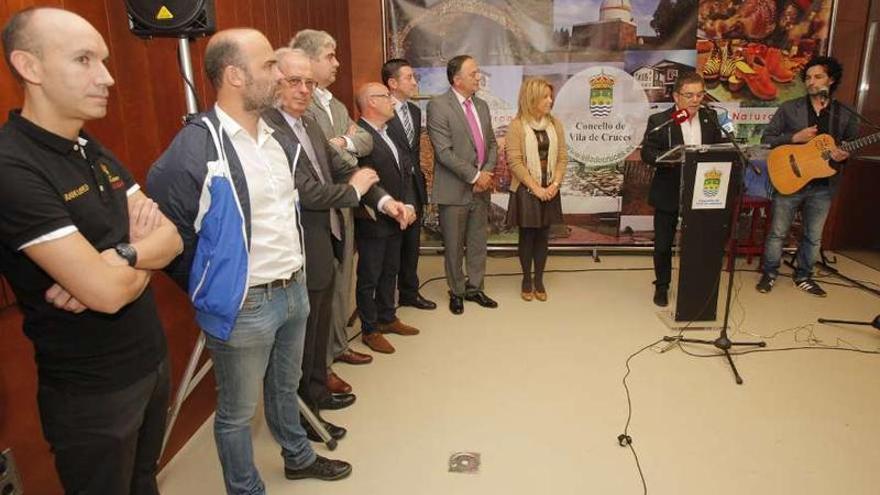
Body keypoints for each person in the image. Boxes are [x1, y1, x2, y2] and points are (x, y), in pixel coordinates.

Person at [147, 30, 351, 494]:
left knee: (284, 389)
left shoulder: (275, 137)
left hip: (293, 289)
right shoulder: (198, 146)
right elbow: (167, 231)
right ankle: (244, 487)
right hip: (246, 306)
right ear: (235, 75)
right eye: (268, 66)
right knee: (237, 413)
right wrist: (215, 288)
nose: (280, 75)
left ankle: (297, 456)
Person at [0, 7, 182, 494]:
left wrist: (118, 258)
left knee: (145, 481)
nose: (106, 77)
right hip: (93, 393)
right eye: (84, 60)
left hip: (149, 362)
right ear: (29, 67)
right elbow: (105, 294)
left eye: (103, 60)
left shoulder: (89, 148)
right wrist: (135, 254)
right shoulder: (13, 168)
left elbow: (173, 237)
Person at [262, 49, 409, 412]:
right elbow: (307, 191)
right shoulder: (267, 128)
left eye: (309, 83)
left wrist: (385, 202)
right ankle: (302, 410)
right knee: (302, 334)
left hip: (325, 239)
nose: (303, 90)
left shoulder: (309, 123)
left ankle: (317, 392)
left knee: (320, 324)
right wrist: (355, 191)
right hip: (295, 248)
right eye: (293, 81)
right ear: (273, 81)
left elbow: (342, 171)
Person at [291, 29, 374, 379]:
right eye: (330, 56)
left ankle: (338, 346)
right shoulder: (300, 107)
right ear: (308, 59)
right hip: (319, 210)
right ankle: (320, 366)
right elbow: (329, 157)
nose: (337, 62)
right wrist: (347, 143)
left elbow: (365, 140)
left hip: (344, 205)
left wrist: (342, 141)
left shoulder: (335, 103)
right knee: (320, 292)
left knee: (343, 282)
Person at [757, 56, 859, 297]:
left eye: (818, 77)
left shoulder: (845, 113)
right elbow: (767, 138)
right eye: (808, 78)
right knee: (778, 232)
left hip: (823, 185)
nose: (811, 82)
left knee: (813, 236)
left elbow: (851, 143)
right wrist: (794, 138)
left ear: (831, 80)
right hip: (790, 181)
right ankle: (769, 272)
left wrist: (845, 154)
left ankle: (803, 275)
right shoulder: (790, 108)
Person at [640, 72, 725, 307]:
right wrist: (668, 159)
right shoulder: (661, 121)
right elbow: (648, 152)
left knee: (698, 242)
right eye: (689, 95)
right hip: (669, 189)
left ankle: (694, 285)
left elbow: (718, 148)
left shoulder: (710, 117)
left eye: (700, 94)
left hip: (702, 191)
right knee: (663, 244)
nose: (695, 100)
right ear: (676, 96)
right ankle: (662, 286)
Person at [427, 54, 499, 315]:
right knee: (455, 245)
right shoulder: (438, 106)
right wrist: (474, 176)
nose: (478, 77)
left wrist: (487, 173)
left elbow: (491, 144)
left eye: (478, 72)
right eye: (473, 73)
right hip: (454, 189)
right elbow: (443, 152)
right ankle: (456, 291)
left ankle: (475, 287)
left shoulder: (482, 106)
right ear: (457, 80)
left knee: (478, 242)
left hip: (482, 188)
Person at [353, 82, 421, 354]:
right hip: (373, 217)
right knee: (370, 274)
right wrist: (388, 205)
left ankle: (387, 317)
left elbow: (403, 171)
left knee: (390, 270)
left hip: (396, 215)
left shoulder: (388, 132)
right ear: (371, 102)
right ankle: (370, 329)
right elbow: (365, 179)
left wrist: (406, 204)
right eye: (386, 97)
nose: (392, 102)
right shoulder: (360, 135)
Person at [504, 77, 568, 302]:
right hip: (526, 189)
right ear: (532, 98)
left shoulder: (555, 124)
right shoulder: (517, 126)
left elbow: (562, 158)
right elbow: (514, 162)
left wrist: (555, 184)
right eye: (546, 96)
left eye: (551, 96)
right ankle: (526, 279)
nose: (550, 100)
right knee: (528, 235)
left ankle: (539, 279)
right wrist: (536, 188)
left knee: (543, 235)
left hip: (550, 187)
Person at [382, 58, 436, 310]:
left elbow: (412, 151)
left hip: (414, 186)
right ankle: (385, 302)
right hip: (391, 189)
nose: (415, 82)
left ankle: (409, 292)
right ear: (392, 83)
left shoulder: (414, 111)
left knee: (412, 245)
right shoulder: (380, 110)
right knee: (392, 249)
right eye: (409, 78)